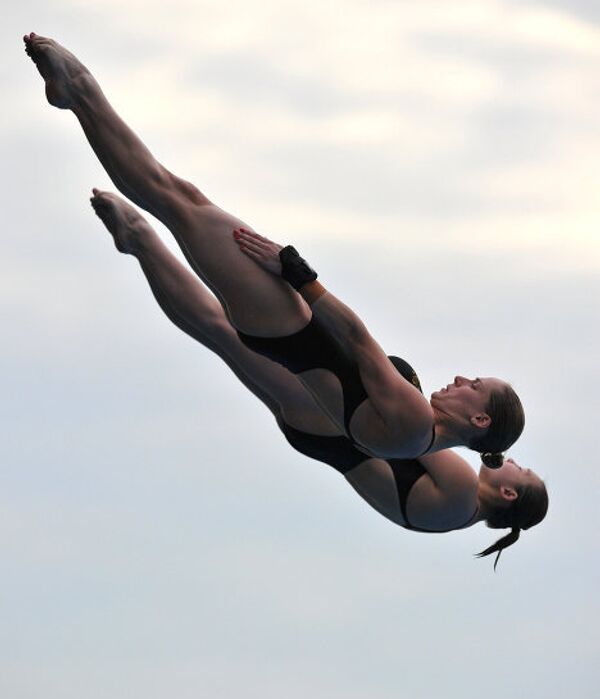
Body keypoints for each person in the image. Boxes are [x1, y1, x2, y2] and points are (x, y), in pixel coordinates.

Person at [23, 32, 524, 463]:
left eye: (474, 384)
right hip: (279, 334)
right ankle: (80, 101)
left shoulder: (417, 425)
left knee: (176, 200)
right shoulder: (417, 440)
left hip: (288, 324)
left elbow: (356, 337)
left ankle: (79, 93)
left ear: (479, 419)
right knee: (184, 201)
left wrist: (296, 271)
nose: (462, 376)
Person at [89, 188, 548, 568]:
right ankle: (141, 244)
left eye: (520, 470)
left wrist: (395, 373)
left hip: (336, 421)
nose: (510, 460)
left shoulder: (462, 492)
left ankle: (144, 237)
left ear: (508, 492)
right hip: (320, 437)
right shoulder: (451, 518)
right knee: (219, 335)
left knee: (227, 329)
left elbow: (416, 427)